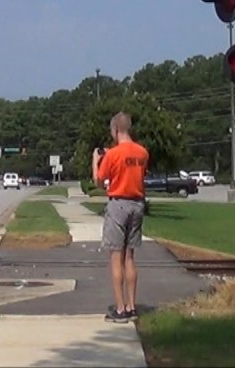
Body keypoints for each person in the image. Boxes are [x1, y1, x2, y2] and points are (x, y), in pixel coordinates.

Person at [92, 111, 150, 323]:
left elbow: (99, 181)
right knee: (129, 257)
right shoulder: (142, 153)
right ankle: (132, 306)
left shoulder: (112, 155)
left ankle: (120, 308)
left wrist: (96, 160)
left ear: (115, 129)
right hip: (137, 204)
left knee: (115, 257)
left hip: (118, 205)